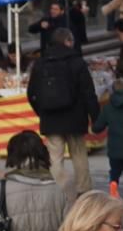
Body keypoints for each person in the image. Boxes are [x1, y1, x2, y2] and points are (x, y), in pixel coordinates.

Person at [26, 26, 98, 195]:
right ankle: (83, 189)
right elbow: (88, 92)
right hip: (75, 118)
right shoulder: (77, 62)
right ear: (67, 41)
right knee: (79, 155)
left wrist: (41, 111)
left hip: (50, 119)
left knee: (55, 157)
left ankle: (58, 189)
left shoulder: (41, 63)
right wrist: (95, 117)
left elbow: (31, 93)